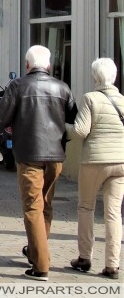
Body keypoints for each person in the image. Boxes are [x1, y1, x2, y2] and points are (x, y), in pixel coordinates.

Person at [0, 45, 77, 281]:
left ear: (27, 65)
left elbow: (0, 117)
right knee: (45, 205)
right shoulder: (62, 87)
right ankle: (37, 251)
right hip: (55, 156)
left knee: (33, 208)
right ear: (48, 65)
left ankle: (41, 264)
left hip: (29, 155)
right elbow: (73, 117)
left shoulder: (18, 86)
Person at [69, 57, 124, 280]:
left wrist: (63, 129)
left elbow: (81, 131)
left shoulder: (90, 98)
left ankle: (84, 258)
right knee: (113, 213)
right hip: (120, 162)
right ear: (114, 77)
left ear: (94, 77)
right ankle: (112, 264)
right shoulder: (122, 99)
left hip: (94, 161)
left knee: (86, 207)